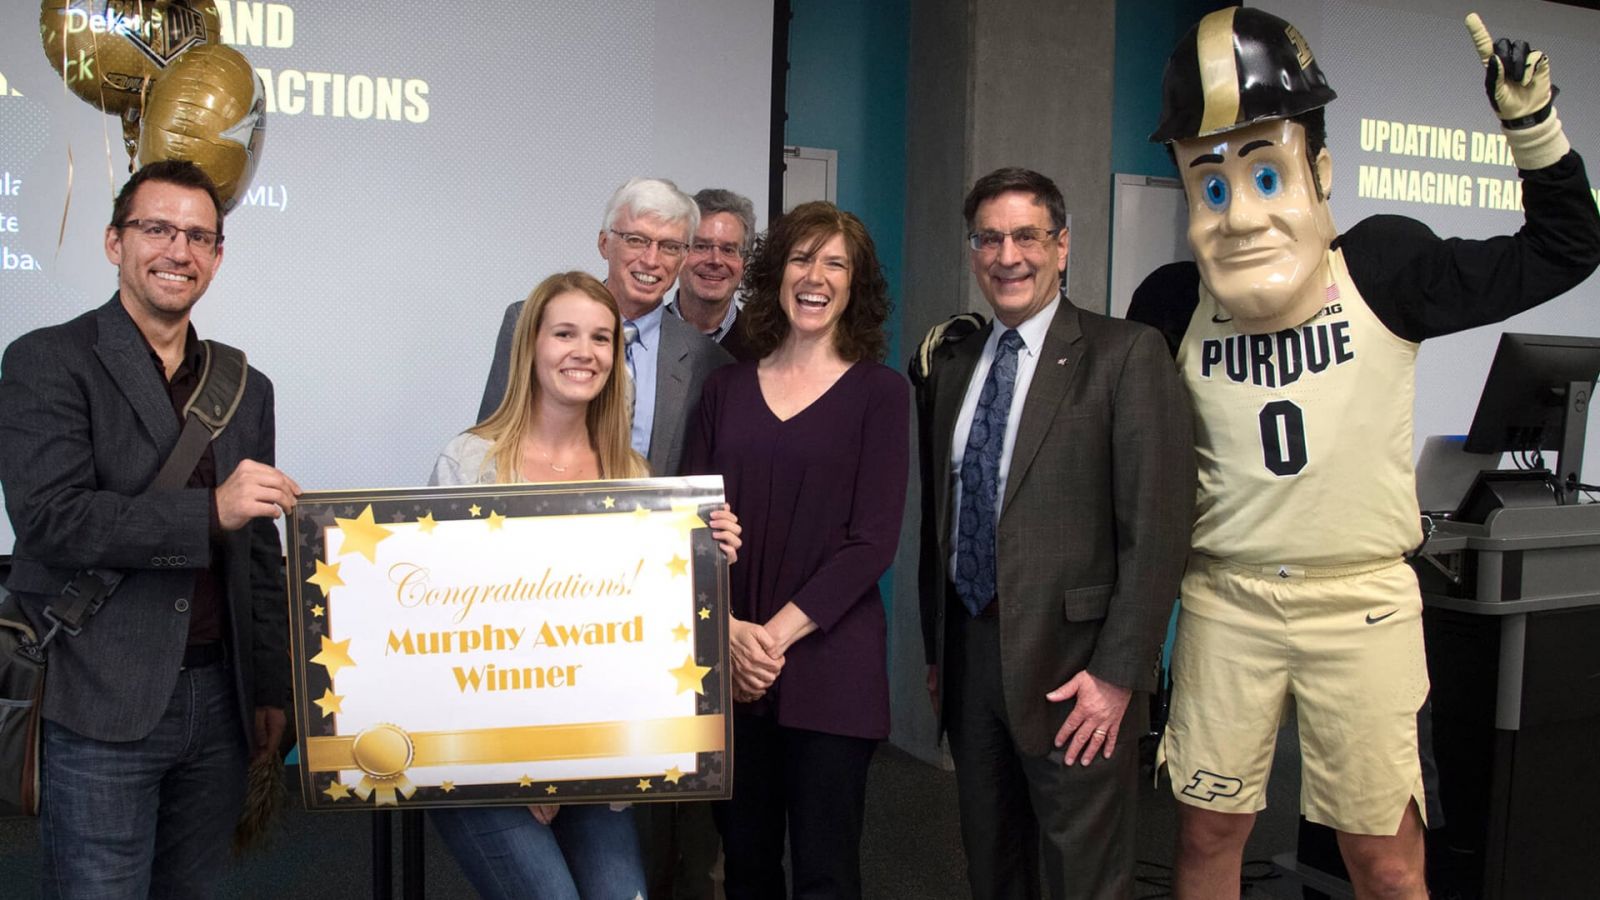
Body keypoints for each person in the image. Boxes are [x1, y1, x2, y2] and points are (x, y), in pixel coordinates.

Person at [1128, 10, 1600, 898]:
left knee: (1382, 857)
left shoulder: (1381, 269)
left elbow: (1567, 247)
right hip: (1229, 598)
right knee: (1207, 835)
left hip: (1362, 603)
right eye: (1213, 186)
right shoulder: (1171, 302)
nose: (1242, 214)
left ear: (1320, 171)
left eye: (1266, 172)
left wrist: (1533, 129)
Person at [0, 159, 301, 898]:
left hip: (221, 703)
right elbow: (50, 517)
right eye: (157, 229)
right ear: (114, 243)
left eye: (200, 236)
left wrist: (273, 688)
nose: (179, 250)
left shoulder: (245, 386)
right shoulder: (47, 360)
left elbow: (259, 552)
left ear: (218, 257)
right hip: (98, 699)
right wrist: (208, 510)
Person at [911, 167, 1195, 900]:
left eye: (1027, 236)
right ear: (973, 251)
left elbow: (1157, 532)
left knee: (1083, 878)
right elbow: (943, 521)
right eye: (990, 239)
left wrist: (1118, 675)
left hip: (1078, 673)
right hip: (972, 659)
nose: (1008, 256)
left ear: (1062, 246)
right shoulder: (955, 365)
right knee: (992, 866)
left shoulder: (1124, 355)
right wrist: (937, 649)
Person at [429, 270, 741, 900]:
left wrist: (707, 561)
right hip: (484, 752)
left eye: (601, 338)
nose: (585, 351)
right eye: (565, 332)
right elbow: (442, 636)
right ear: (532, 346)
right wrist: (523, 770)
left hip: (596, 755)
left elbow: (644, 628)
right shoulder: (471, 463)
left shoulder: (631, 474)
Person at [684, 201, 909, 900]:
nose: (815, 277)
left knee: (826, 874)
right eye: (801, 258)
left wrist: (769, 641)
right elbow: (686, 523)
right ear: (776, 273)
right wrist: (731, 637)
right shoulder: (723, 388)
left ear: (856, 284)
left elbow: (871, 542)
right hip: (731, 660)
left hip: (829, 664)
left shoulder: (882, 394)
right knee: (746, 866)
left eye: (835, 263)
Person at [479, 178, 733, 475]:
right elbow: (493, 440)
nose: (651, 260)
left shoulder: (707, 360)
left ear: (684, 258)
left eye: (669, 246)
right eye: (636, 240)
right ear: (604, 243)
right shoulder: (528, 322)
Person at [667, 188, 760, 363]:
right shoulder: (645, 337)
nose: (715, 260)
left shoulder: (765, 347)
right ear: (678, 254)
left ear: (744, 264)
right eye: (701, 246)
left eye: (728, 250)